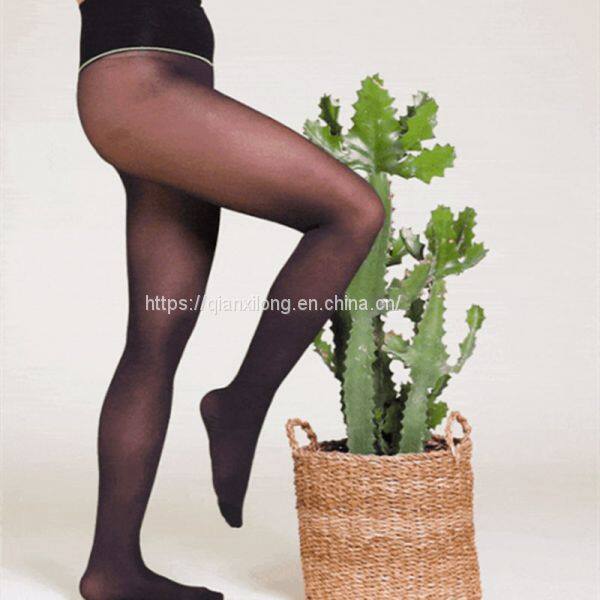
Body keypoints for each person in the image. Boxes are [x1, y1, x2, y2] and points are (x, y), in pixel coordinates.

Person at [76, 0, 384, 598]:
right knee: (353, 212)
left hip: (163, 84)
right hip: (143, 87)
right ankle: (241, 404)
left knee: (155, 339)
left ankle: (111, 569)